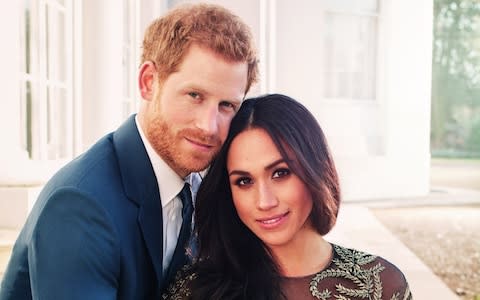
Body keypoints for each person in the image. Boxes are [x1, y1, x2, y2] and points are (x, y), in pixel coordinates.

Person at [0, 3, 258, 300]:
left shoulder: (199, 184)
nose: (209, 126)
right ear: (148, 82)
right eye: (194, 95)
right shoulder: (80, 206)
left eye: (227, 106)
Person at [162, 94, 412, 300]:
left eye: (281, 173)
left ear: (315, 169)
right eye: (244, 181)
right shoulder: (195, 291)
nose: (265, 201)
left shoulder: (380, 284)